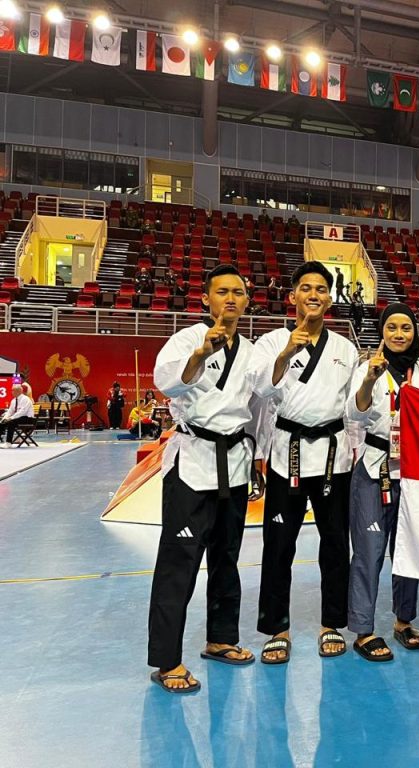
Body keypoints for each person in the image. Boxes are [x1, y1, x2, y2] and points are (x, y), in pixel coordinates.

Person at [147, 264, 262, 694]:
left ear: (247, 301)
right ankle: (166, 660)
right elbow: (166, 384)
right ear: (206, 300)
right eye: (222, 292)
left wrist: (260, 459)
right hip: (193, 461)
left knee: (227, 557)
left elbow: (262, 404)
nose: (230, 299)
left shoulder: (251, 351)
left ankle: (221, 638)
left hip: (233, 460)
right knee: (179, 563)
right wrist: (199, 355)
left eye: (238, 292)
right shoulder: (185, 339)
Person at [250, 262, 360, 664]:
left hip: (333, 457)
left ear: (329, 299)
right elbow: (261, 389)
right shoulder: (269, 341)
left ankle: (331, 624)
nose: (314, 294)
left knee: (334, 545)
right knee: (279, 545)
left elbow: (352, 408)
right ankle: (277, 627)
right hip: (286, 454)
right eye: (306, 288)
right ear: (292, 295)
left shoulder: (345, 349)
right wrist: (287, 351)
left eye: (321, 289)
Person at [346, 304, 419, 662]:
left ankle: (403, 620)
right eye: (392, 328)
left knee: (408, 551)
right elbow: (353, 413)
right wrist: (368, 379)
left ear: (415, 332)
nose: (399, 334)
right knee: (369, 550)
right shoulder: (368, 367)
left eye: (406, 328)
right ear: (382, 332)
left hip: (415, 470)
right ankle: (364, 629)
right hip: (374, 466)